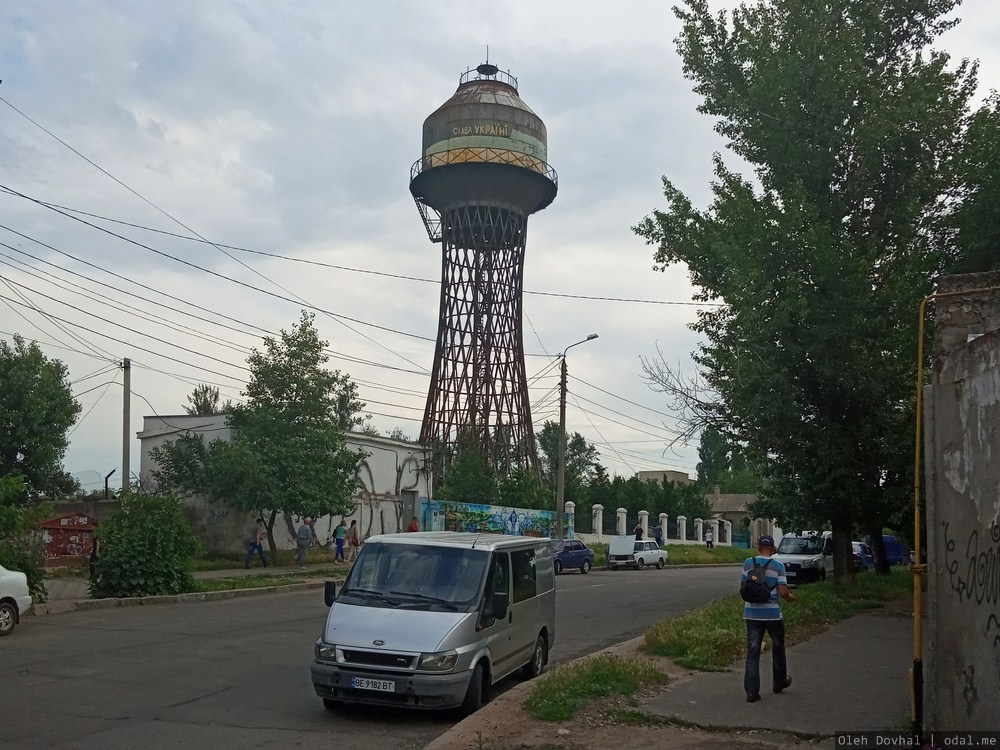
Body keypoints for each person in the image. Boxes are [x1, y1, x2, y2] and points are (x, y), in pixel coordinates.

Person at [741, 534, 796, 702]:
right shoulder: (778, 566)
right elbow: (783, 592)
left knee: (753, 651)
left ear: (758, 548)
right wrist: (791, 598)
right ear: (773, 549)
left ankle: (752, 692)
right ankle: (779, 682)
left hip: (751, 613)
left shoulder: (748, 563)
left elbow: (743, 588)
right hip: (772, 614)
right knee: (778, 648)